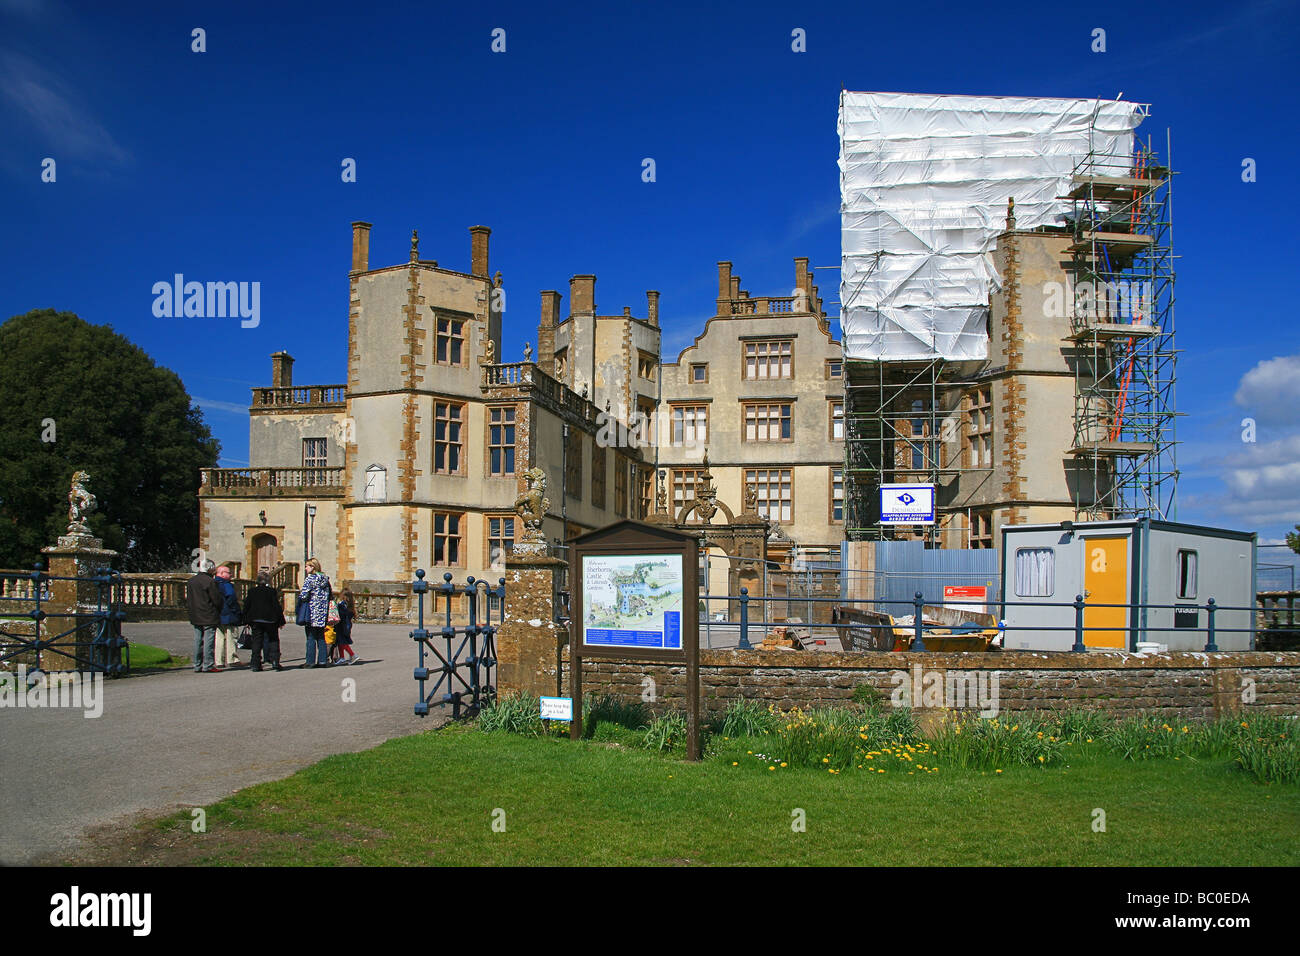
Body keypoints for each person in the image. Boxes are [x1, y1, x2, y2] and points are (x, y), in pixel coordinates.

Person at [242, 571, 285, 671]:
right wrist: (281, 621)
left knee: (256, 641)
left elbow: (247, 605)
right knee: (273, 640)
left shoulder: (252, 591)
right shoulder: (271, 591)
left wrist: (245, 619)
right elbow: (276, 606)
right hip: (270, 619)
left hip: (256, 619)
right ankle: (275, 661)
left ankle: (255, 664)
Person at [185, 559, 222, 673]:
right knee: (208, 640)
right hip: (208, 614)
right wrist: (219, 608)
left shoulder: (192, 581)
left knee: (197, 640)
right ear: (209, 568)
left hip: (195, 613)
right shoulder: (210, 581)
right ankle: (208, 664)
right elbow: (216, 599)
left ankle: (197, 664)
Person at [298, 557, 333, 668]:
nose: (305, 568)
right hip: (322, 612)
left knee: (311, 637)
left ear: (312, 567)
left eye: (307, 566)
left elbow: (303, 595)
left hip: (311, 612)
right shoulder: (325, 579)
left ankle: (310, 661)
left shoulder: (310, 579)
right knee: (321, 637)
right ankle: (322, 660)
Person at [212, 565, 243, 668]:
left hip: (217, 614)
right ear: (221, 573)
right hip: (229, 614)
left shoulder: (213, 583)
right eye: (228, 573)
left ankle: (219, 661)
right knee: (231, 637)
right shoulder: (226, 584)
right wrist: (236, 611)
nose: (230, 575)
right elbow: (231, 598)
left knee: (219, 638)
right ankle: (232, 659)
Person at [333, 588, 357, 664]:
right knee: (340, 642)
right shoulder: (350, 606)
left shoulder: (342, 605)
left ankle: (352, 655)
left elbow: (341, 615)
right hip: (346, 625)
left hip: (342, 626)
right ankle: (342, 657)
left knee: (343, 642)